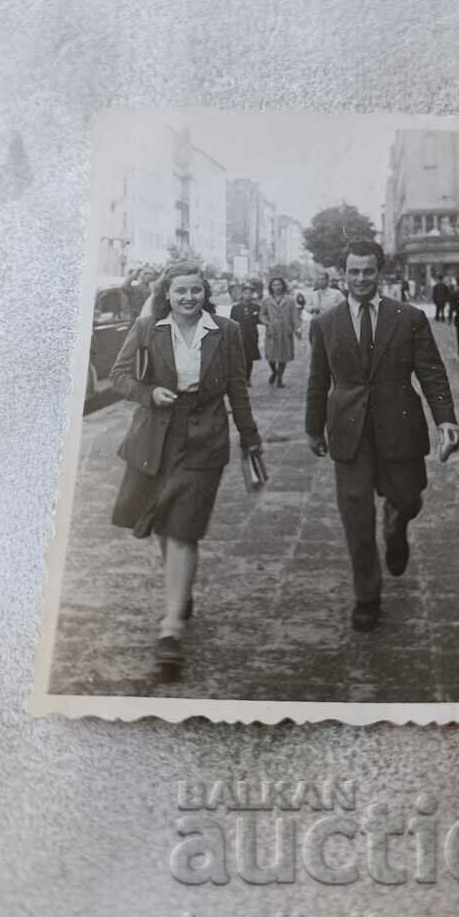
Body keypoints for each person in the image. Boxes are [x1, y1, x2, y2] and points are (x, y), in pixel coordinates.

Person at [109, 262, 263, 674]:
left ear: (205, 292)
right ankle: (181, 590)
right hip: (156, 434)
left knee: (183, 528)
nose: (189, 298)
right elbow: (119, 376)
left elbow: (238, 388)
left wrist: (250, 439)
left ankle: (171, 627)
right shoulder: (148, 329)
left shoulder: (226, 332)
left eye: (195, 290)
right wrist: (147, 392)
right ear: (167, 295)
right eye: (181, 292)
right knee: (163, 522)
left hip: (205, 437)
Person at [305, 240, 459, 631]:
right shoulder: (325, 324)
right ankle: (367, 597)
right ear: (344, 274)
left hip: (399, 426)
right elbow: (317, 380)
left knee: (408, 498)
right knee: (356, 516)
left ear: (380, 272)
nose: (360, 279)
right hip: (348, 432)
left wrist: (446, 419)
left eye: (368, 271)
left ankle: (396, 524)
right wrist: (313, 428)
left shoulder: (408, 318)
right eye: (353, 271)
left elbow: (431, 371)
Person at [260, 277, 302, 388]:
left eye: (279, 285)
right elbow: (262, 314)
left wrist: (297, 329)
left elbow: (295, 316)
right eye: (274, 285)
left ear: (283, 286)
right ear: (271, 287)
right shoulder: (266, 300)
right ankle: (274, 371)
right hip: (272, 331)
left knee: (284, 355)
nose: (277, 287)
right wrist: (267, 323)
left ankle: (280, 378)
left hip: (285, 330)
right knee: (271, 355)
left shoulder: (290, 300)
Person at [230, 284, 261, 384]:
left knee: (249, 358)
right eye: (246, 293)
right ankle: (241, 377)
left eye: (250, 293)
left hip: (251, 336)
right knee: (239, 357)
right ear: (242, 294)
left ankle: (248, 378)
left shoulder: (256, 307)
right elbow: (232, 322)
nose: (248, 295)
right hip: (239, 335)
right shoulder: (235, 308)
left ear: (253, 295)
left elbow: (260, 320)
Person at [307, 272, 345, 343]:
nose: (320, 281)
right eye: (319, 279)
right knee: (316, 344)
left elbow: (344, 306)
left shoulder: (336, 293)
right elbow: (307, 307)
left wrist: (332, 309)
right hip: (317, 324)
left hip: (331, 324)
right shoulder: (314, 294)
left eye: (323, 279)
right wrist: (312, 309)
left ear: (327, 280)